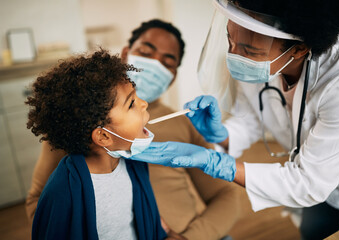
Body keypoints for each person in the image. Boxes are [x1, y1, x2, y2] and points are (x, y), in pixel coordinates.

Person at [130, 0, 339, 239]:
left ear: (299, 49)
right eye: (230, 41)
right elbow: (251, 120)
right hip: (316, 181)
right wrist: (221, 135)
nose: (235, 56)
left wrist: (218, 164)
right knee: (313, 230)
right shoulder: (258, 55)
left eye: (249, 52)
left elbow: (309, 183)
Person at [25, 19, 241, 240]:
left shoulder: (186, 122)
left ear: (174, 75)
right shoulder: (74, 122)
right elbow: (40, 203)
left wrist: (189, 237)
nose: (154, 65)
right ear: (126, 53)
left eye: (167, 62)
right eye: (146, 52)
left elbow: (224, 194)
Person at [26, 49, 169, 239]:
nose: (144, 104)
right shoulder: (61, 194)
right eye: (131, 104)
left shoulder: (135, 164)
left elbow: (146, 219)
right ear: (103, 136)